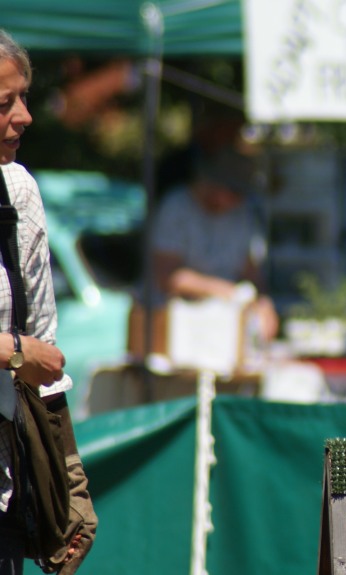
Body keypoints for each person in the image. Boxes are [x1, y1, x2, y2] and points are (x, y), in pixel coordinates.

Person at [0, 29, 96, 574]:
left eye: (25, 97)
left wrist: (69, 484)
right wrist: (13, 351)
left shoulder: (19, 194)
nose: (25, 116)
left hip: (9, 489)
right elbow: (26, 352)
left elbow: (45, 355)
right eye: (2, 103)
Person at [149, 148, 278, 343]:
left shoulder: (243, 215)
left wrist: (263, 303)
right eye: (234, 192)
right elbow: (168, 276)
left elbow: (251, 271)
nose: (239, 200)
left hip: (225, 327)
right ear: (212, 184)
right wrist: (226, 291)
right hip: (175, 325)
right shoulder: (176, 208)